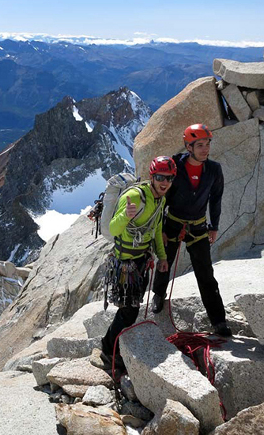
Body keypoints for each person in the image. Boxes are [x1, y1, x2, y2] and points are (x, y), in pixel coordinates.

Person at [151, 124, 232, 337]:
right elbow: (162, 199)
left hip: (198, 226)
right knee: (163, 263)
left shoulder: (214, 169)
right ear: (189, 147)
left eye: (207, 145)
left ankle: (218, 320)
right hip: (173, 223)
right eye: (200, 145)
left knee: (206, 273)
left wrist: (214, 226)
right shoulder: (175, 166)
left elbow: (216, 198)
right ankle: (158, 294)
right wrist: (160, 229)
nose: (205, 149)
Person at [100, 156, 176, 369]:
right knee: (128, 311)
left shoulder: (160, 200)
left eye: (169, 178)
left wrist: (162, 257)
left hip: (140, 261)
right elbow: (114, 230)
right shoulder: (135, 196)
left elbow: (157, 229)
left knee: (130, 308)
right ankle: (109, 352)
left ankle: (113, 350)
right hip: (125, 262)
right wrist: (126, 214)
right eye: (160, 177)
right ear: (152, 177)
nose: (165, 182)